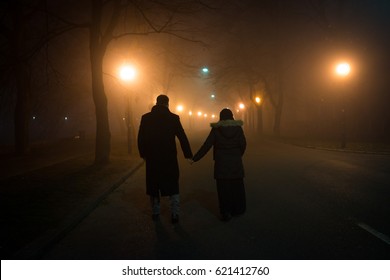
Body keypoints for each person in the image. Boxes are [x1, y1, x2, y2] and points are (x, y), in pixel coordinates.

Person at [137, 94, 193, 223]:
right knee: (172, 183)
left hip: (153, 158)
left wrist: (143, 154)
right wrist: (188, 155)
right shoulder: (173, 118)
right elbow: (182, 137)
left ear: (156, 103)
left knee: (154, 184)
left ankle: (156, 211)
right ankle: (174, 213)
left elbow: (141, 138)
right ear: (167, 103)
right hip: (169, 157)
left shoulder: (146, 118)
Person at [192, 108, 246, 221]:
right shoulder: (238, 128)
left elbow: (207, 145)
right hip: (236, 162)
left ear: (220, 117)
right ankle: (238, 209)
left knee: (223, 189)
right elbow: (243, 144)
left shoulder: (216, 130)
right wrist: (237, 155)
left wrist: (195, 158)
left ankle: (226, 211)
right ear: (232, 117)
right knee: (237, 187)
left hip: (221, 163)